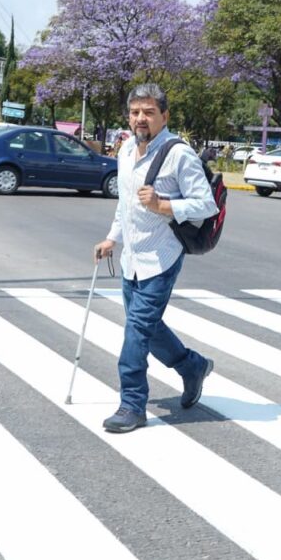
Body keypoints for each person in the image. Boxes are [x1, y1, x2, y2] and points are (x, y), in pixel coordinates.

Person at [94, 83, 218, 433]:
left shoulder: (179, 154)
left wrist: (163, 205)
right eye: (135, 112)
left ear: (164, 115)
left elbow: (206, 204)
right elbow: (125, 205)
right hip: (132, 258)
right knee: (148, 329)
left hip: (162, 257)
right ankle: (192, 367)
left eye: (149, 112)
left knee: (136, 332)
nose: (141, 118)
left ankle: (132, 405)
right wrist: (112, 238)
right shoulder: (125, 151)